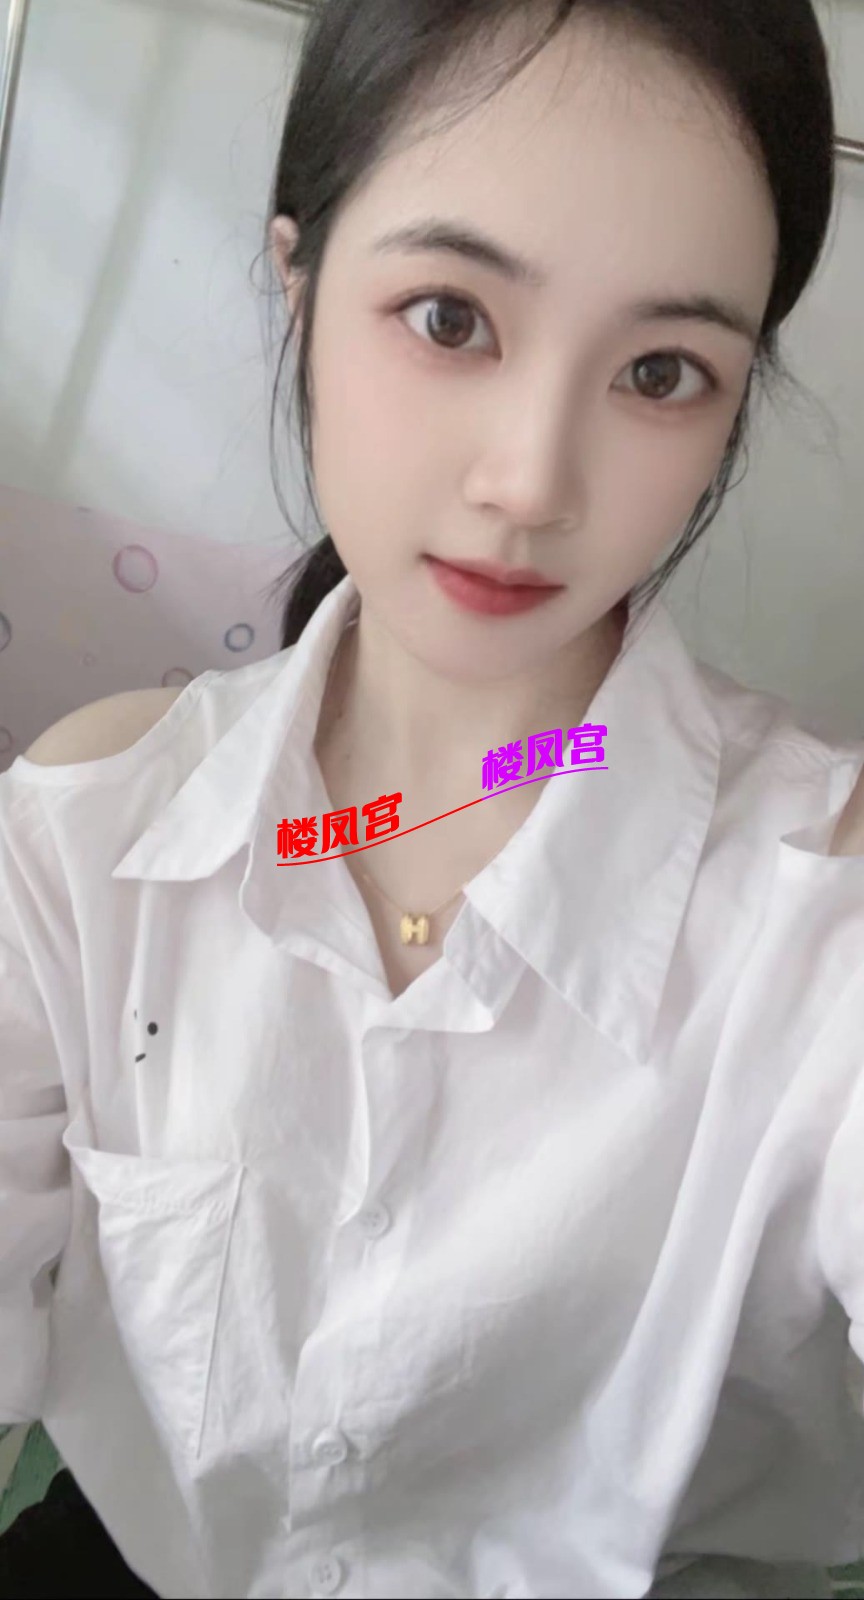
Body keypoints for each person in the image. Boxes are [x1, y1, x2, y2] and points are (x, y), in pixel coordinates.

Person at [2, 2, 864, 1596]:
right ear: (299, 286)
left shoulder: (821, 918)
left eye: (661, 371)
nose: (530, 481)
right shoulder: (85, 836)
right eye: (450, 318)